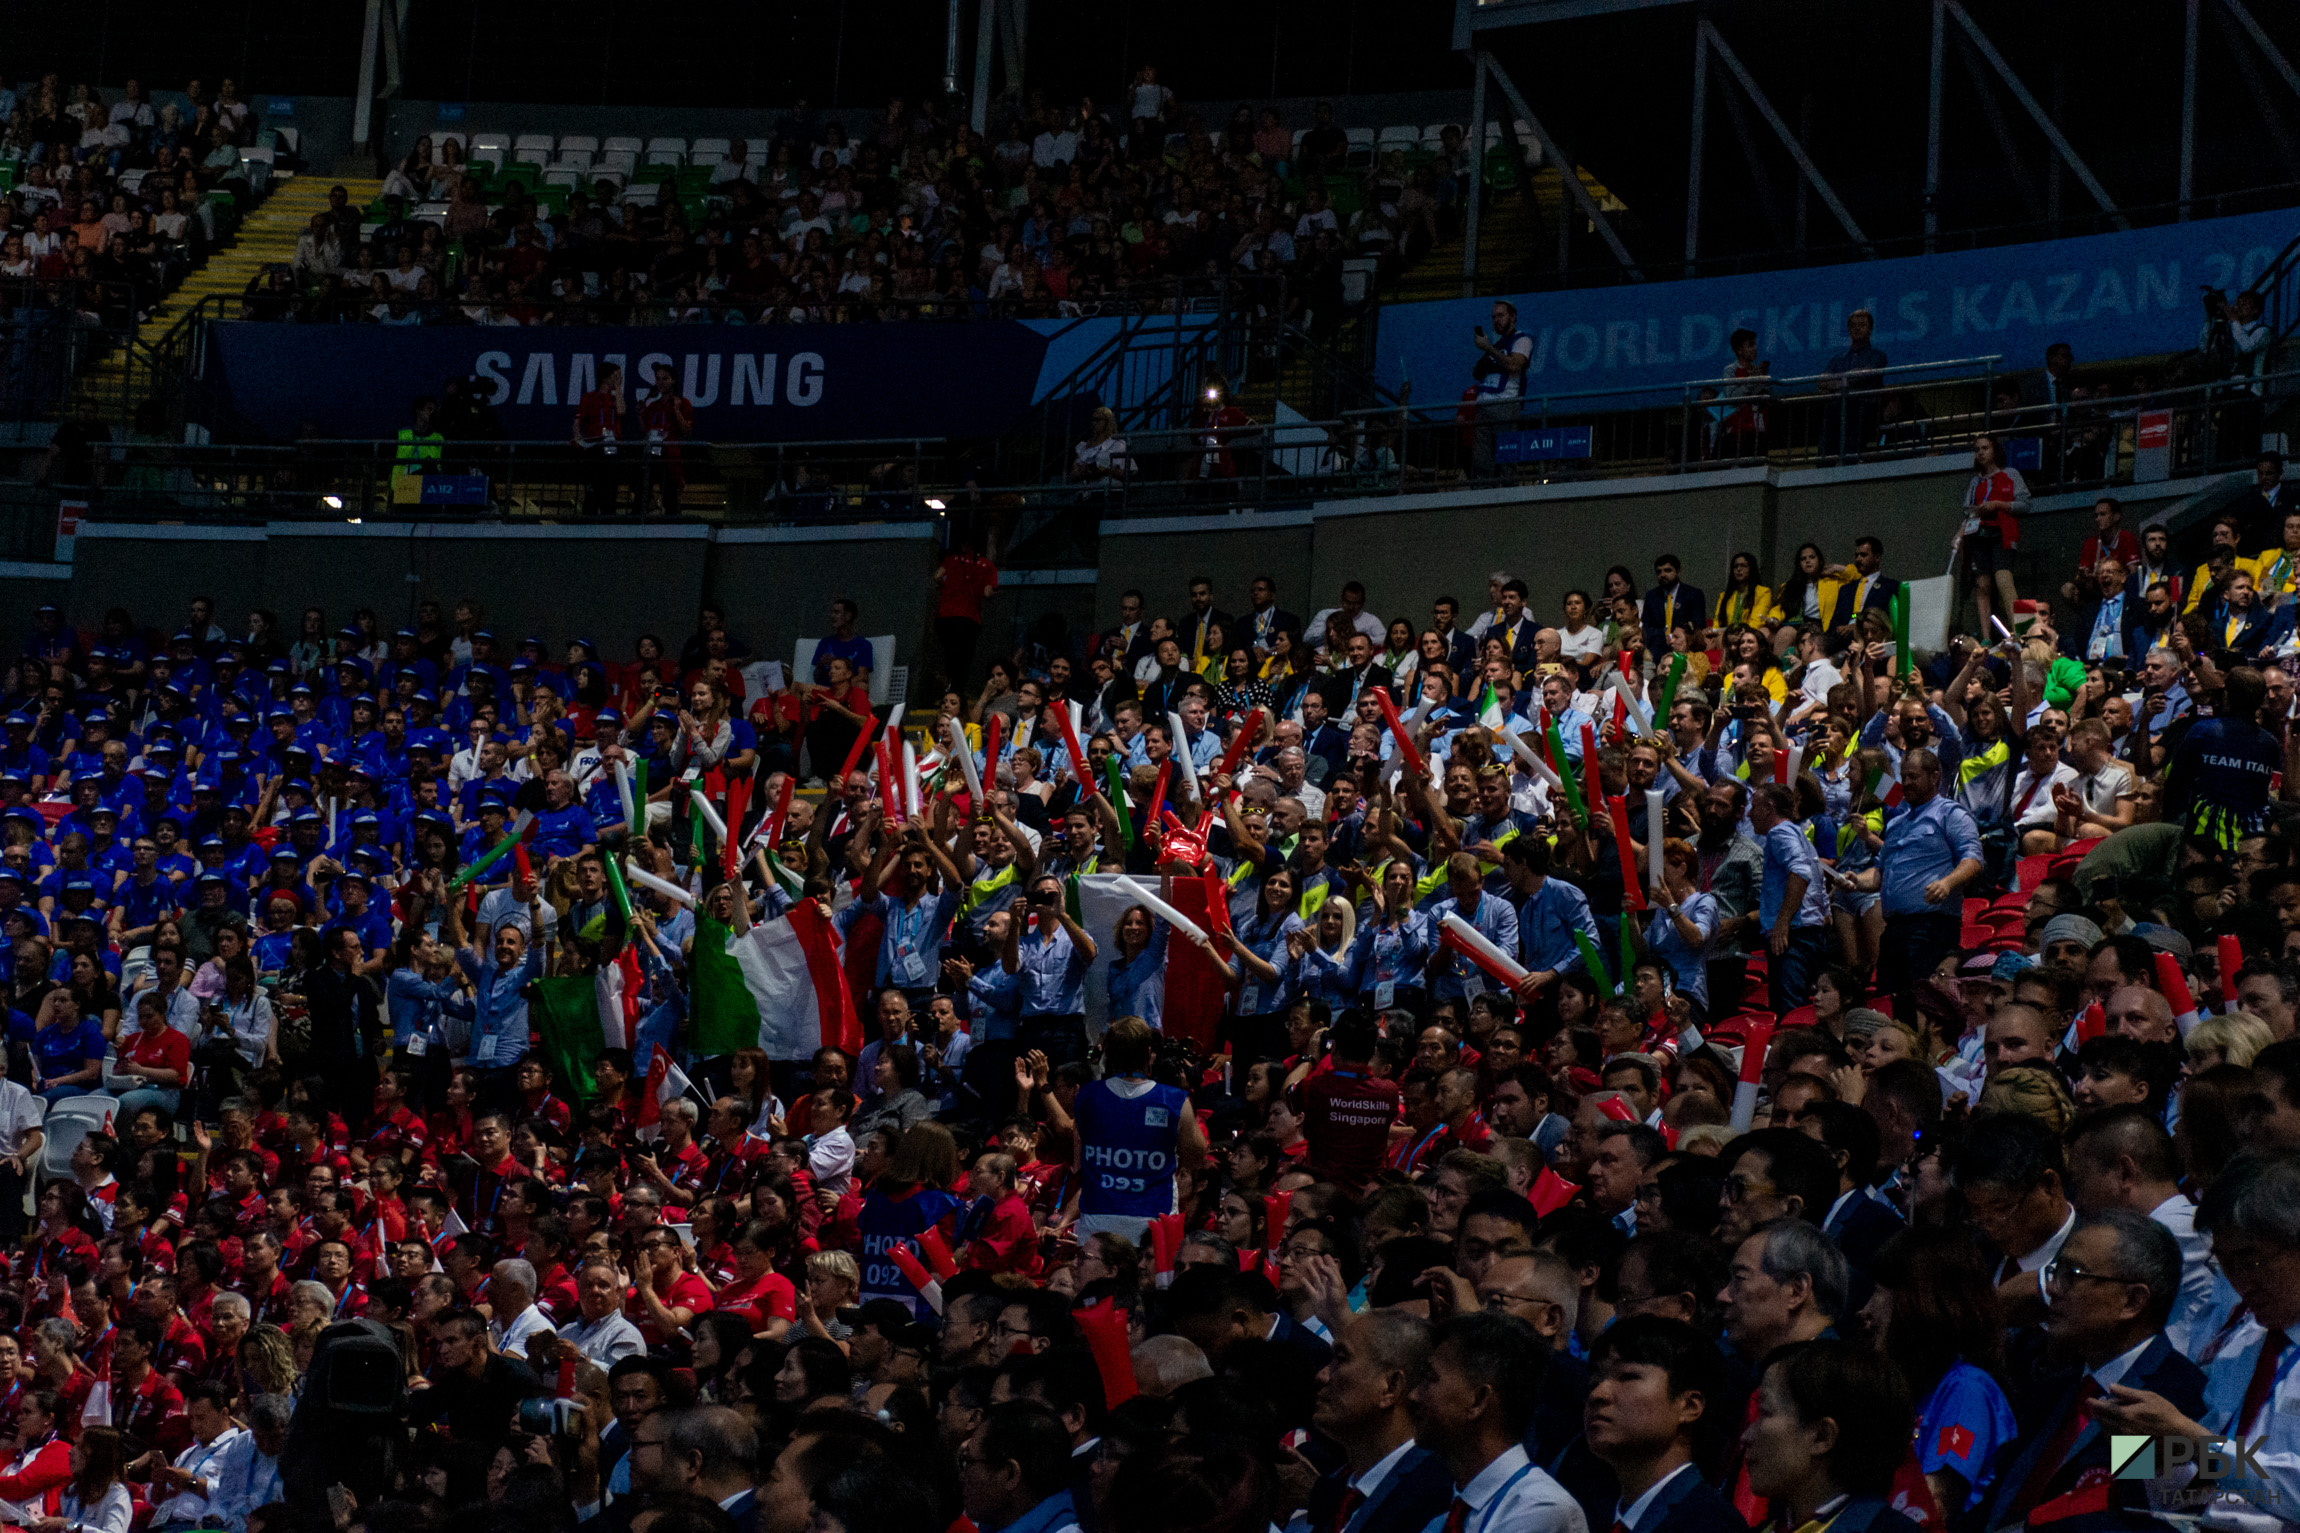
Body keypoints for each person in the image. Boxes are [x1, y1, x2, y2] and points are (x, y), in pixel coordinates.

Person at [1470, 300, 1535, 477]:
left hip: (1505, 404)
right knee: (1481, 462)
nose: (1496, 320)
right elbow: (1476, 373)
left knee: (1506, 459)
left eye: (1501, 315)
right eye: (1494, 317)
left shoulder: (1522, 339)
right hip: (1483, 407)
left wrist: (1488, 348)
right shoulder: (1496, 346)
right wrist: (1488, 350)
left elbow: (1515, 365)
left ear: (1512, 317)